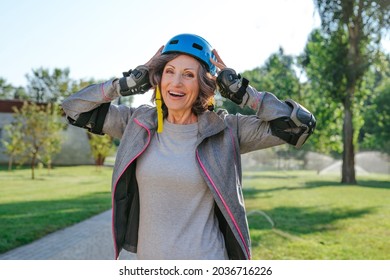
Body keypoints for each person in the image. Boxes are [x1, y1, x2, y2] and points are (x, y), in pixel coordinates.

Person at [61, 33, 316, 260]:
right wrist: (125, 84)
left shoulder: (226, 129)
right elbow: (73, 109)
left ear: (203, 85)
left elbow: (299, 126)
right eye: (169, 71)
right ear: (157, 79)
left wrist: (244, 93)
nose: (177, 83)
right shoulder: (137, 123)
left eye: (189, 75)